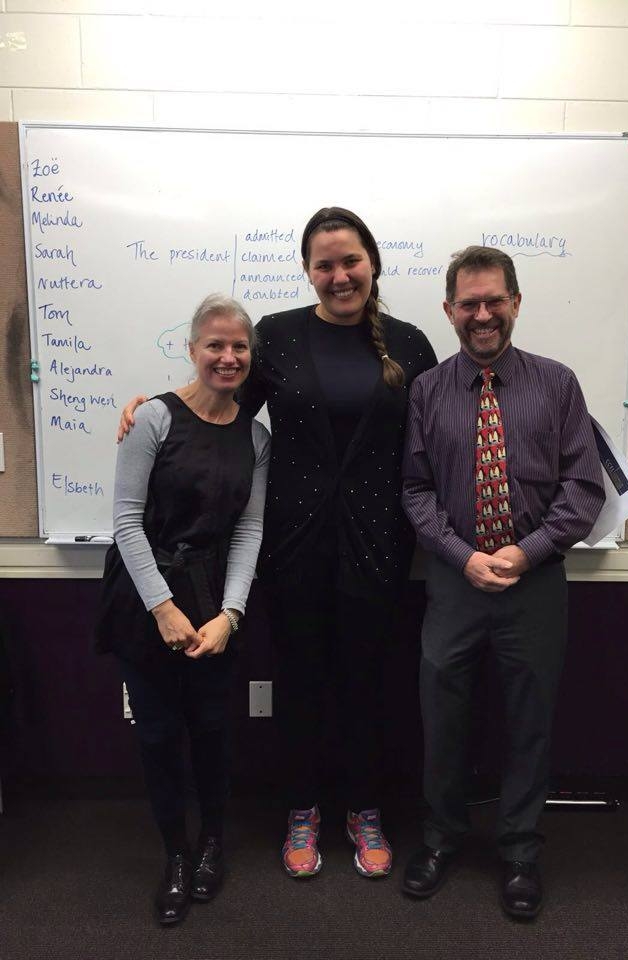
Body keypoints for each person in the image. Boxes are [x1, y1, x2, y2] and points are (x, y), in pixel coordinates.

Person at [119, 207, 437, 880]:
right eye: (324, 264)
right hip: (293, 544)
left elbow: (436, 436)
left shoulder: (410, 346)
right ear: (308, 271)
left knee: (368, 683)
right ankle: (302, 809)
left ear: (372, 263)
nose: (339, 275)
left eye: (350, 261)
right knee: (300, 682)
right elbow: (222, 410)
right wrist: (154, 408)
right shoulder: (280, 337)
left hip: (380, 546)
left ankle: (365, 809)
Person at [400, 246, 605, 918]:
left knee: (529, 721)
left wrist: (527, 551)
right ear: (449, 310)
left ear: (515, 302)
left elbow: (583, 487)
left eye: (494, 301)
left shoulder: (558, 384)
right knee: (442, 717)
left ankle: (519, 851)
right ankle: (441, 838)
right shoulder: (427, 391)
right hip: (453, 583)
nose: (482, 314)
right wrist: (462, 556)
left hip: (535, 585)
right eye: (469, 304)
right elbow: (416, 489)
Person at [96, 294, 270, 925]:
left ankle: (212, 844)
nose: (227, 357)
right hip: (145, 596)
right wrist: (163, 609)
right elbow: (125, 521)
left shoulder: (256, 437)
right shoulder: (152, 419)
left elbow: (249, 529)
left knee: (213, 730)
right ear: (192, 349)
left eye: (239, 346)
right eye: (214, 345)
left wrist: (231, 614)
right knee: (158, 734)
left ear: (250, 356)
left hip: (214, 597)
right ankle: (175, 853)